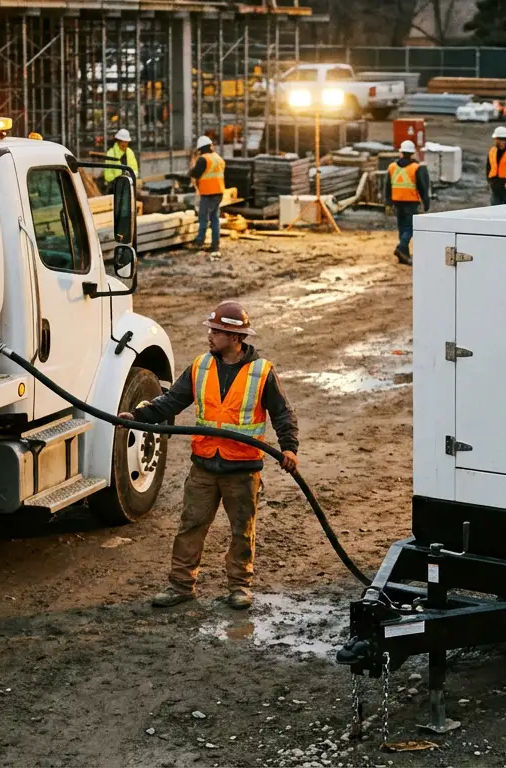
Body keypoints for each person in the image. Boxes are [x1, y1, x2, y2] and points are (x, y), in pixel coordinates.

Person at [123, 301, 299, 611]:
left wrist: (288, 448)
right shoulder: (201, 366)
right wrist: (139, 416)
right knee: (191, 526)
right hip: (204, 466)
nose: (209, 335)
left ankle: (240, 587)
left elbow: (282, 413)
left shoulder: (262, 372)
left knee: (242, 531)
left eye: (216, 331)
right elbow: (171, 402)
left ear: (234, 337)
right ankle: (180, 585)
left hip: (242, 469)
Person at [388, 139, 430, 266]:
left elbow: (387, 186)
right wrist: (426, 202)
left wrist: (387, 202)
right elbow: (422, 187)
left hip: (396, 201)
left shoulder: (392, 167)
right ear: (412, 153)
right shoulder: (416, 168)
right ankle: (401, 248)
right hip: (410, 202)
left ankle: (404, 256)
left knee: (402, 228)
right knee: (411, 227)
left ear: (401, 152)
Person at [190, 135, 225, 259]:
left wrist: (191, 169)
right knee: (214, 218)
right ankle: (215, 244)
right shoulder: (218, 158)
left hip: (208, 193)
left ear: (201, 148)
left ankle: (200, 240)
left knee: (203, 217)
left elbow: (195, 173)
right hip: (219, 193)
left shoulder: (203, 159)